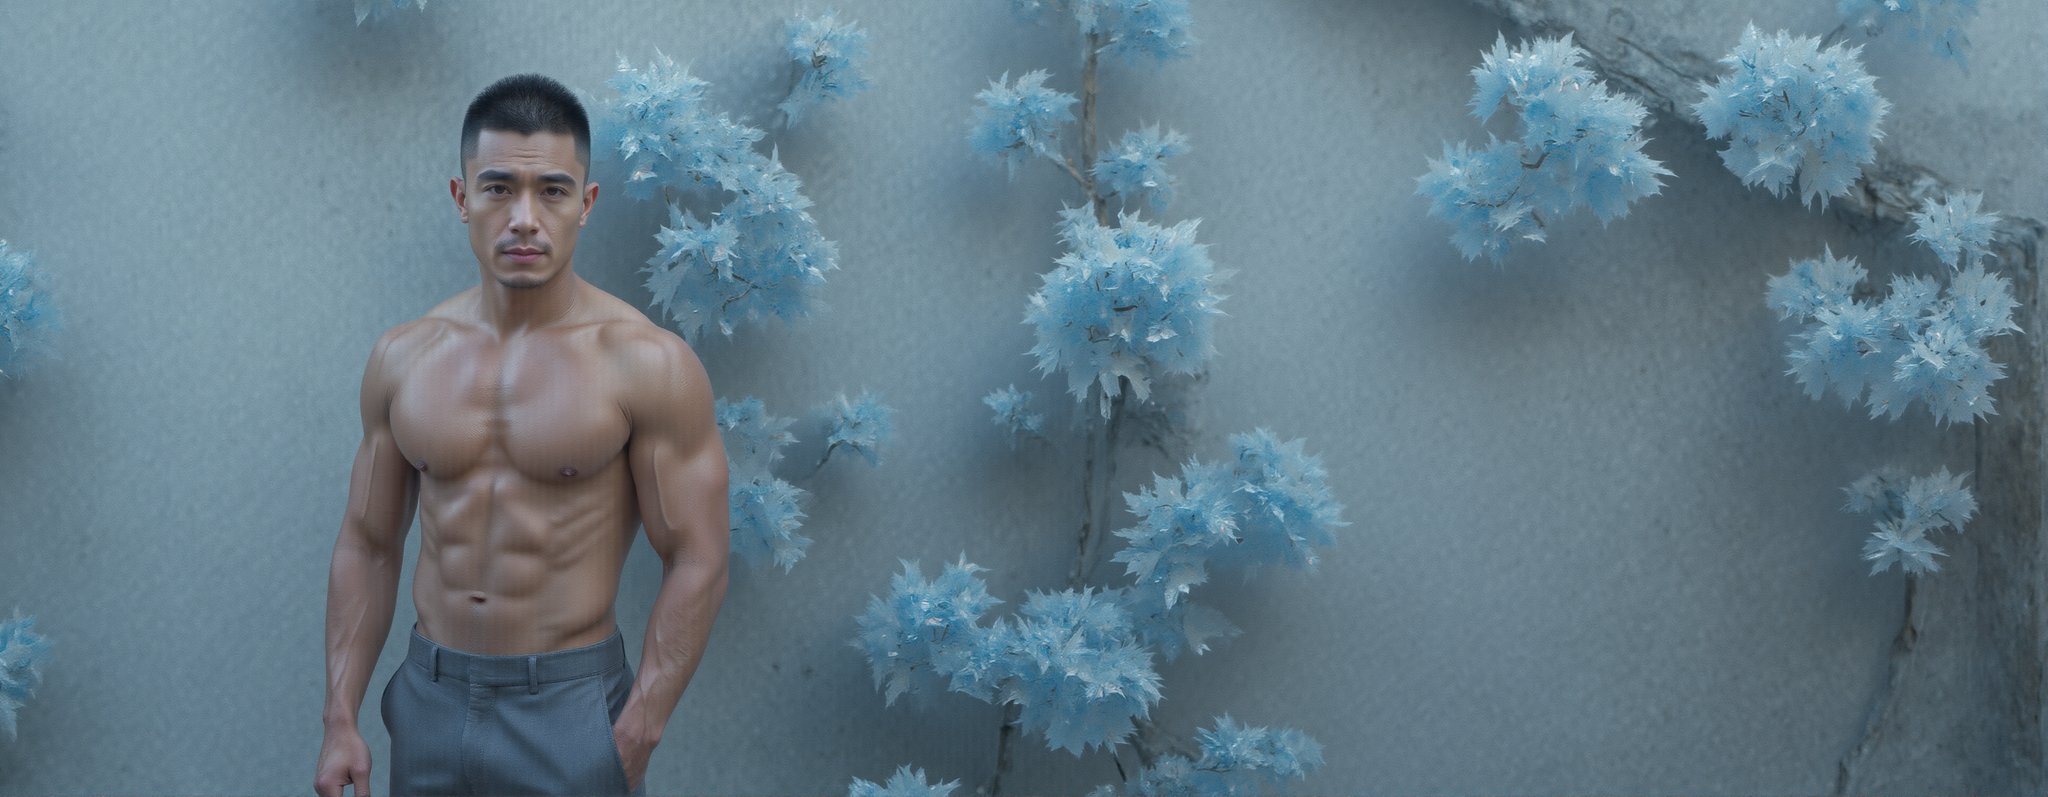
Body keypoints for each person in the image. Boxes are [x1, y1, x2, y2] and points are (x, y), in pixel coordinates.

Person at [313, 74, 730, 797]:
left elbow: (700, 555)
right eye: (499, 187)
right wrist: (340, 716)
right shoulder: (404, 356)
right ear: (461, 197)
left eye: (553, 191)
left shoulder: (645, 362)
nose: (525, 218)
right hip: (431, 696)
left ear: (586, 205)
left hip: (568, 706)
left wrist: (640, 725)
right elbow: (368, 541)